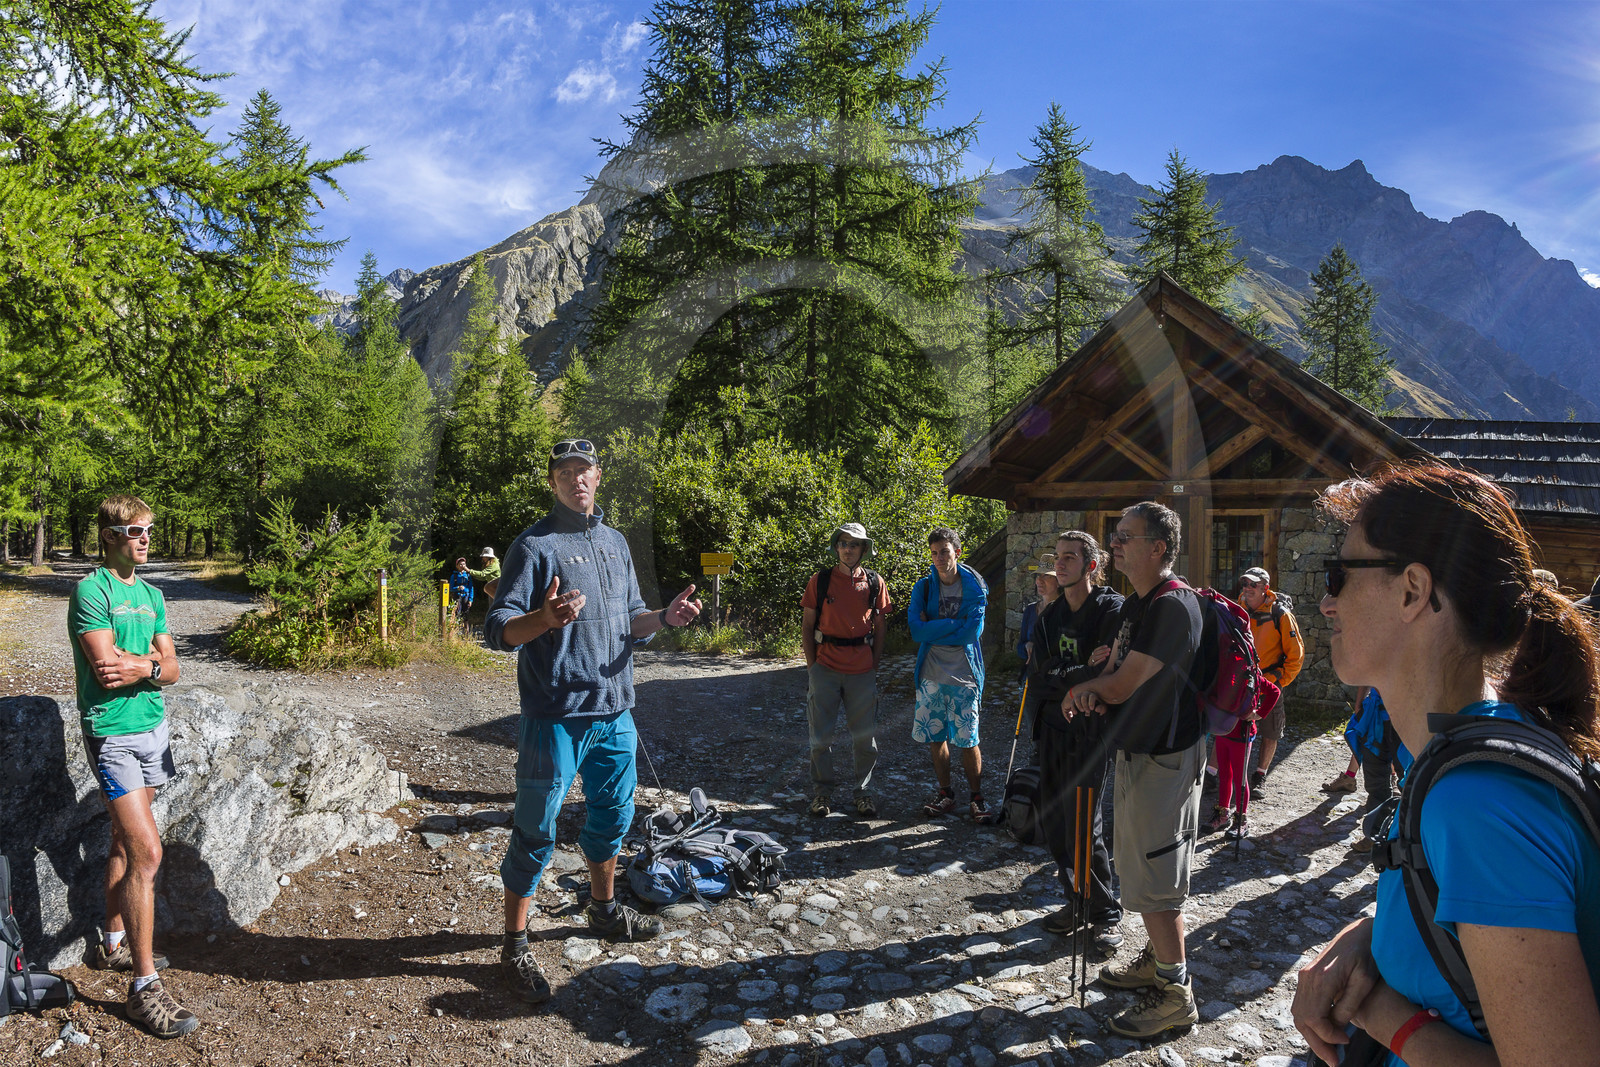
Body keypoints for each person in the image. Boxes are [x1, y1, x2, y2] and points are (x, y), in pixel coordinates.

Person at [1292, 462, 1600, 1066]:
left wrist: (1375, 1010)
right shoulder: (1475, 744)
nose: (1327, 602)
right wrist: (1372, 938)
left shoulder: (1480, 800)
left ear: (1413, 589)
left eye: (1339, 575)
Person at [484, 438, 703, 1004]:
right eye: (565, 472)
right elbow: (497, 630)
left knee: (613, 816)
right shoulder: (533, 545)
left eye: (584, 470)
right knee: (535, 829)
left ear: (598, 477)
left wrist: (665, 618)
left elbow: (633, 618)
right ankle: (514, 944)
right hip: (554, 716)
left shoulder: (614, 542)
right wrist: (542, 618)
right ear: (553, 481)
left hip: (615, 711)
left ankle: (603, 911)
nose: (576, 479)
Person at [1063, 501, 1205, 1038]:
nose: (1115, 543)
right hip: (1140, 750)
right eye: (1115, 534)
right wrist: (1100, 686)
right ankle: (1157, 962)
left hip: (1165, 757)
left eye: (1126, 536)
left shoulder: (1172, 607)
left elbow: (1122, 683)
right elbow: (1119, 674)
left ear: (1158, 548)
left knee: (1155, 877)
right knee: (1138, 866)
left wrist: (1083, 691)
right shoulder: (1136, 604)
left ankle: (1175, 994)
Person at [68, 496, 196, 1038]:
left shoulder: (152, 593)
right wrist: (150, 664)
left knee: (124, 843)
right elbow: (104, 672)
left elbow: (172, 669)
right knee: (148, 852)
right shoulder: (91, 590)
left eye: (149, 530)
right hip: (114, 734)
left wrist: (141, 662)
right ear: (110, 536)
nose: (146, 538)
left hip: (152, 728)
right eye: (136, 531)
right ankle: (143, 990)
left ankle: (114, 945)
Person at [1027, 531, 1124, 950]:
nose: (1060, 564)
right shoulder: (1048, 616)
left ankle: (1103, 913)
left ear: (1090, 565)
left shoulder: (1109, 610)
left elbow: (1109, 674)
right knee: (1054, 822)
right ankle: (1075, 899)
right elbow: (1038, 674)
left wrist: (1069, 673)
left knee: (1085, 824)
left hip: (1089, 731)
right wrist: (1077, 670)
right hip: (1050, 727)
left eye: (1070, 557)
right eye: (1057, 556)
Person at [801, 522, 891, 819]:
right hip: (825, 667)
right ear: (836, 547)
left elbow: (880, 628)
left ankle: (863, 793)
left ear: (864, 549)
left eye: (855, 544)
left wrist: (873, 665)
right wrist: (813, 667)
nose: (848, 549)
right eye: (843, 543)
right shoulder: (820, 580)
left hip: (861, 670)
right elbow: (807, 624)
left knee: (865, 738)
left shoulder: (875, 583)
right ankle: (822, 794)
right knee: (821, 737)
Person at [910, 527, 990, 819]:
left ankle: (977, 797)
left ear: (958, 551)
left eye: (944, 551)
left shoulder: (975, 587)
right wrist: (954, 626)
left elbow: (972, 632)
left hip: (964, 674)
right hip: (931, 672)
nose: (939, 558)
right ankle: (946, 794)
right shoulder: (924, 587)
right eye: (934, 553)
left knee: (968, 740)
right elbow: (916, 631)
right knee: (936, 737)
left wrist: (934, 627)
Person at [1236, 566, 1304, 794]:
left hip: (1269, 683)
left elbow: (1296, 656)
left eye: (1253, 584)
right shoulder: (1238, 609)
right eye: (1245, 584)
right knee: (1229, 728)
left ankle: (1260, 775)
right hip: (1242, 681)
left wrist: (1278, 682)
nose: (1247, 588)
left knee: (1270, 731)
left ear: (1265, 588)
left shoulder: (1281, 614)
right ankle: (1217, 775)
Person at [1328, 686, 1411, 853]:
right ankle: (1374, 835)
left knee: (1409, 780)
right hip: (1374, 716)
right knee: (1375, 781)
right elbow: (1366, 671)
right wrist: (1359, 705)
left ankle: (1408, 837)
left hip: (1405, 716)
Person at [1017, 554, 1059, 684]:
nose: (1039, 581)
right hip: (1032, 677)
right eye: (1038, 576)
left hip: (1057, 678)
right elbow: (1020, 647)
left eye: (1046, 576)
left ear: (1059, 581)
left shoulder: (1065, 610)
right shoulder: (1031, 610)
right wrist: (1027, 646)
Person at [449, 558, 475, 631]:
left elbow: (471, 588)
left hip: (466, 596)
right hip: (457, 596)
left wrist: (470, 600)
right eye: (460, 564)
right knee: (457, 613)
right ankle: (455, 631)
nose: (462, 566)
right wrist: (458, 588)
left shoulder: (468, 576)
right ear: (457, 566)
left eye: (464, 564)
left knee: (466, 615)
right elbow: (451, 588)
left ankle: (466, 633)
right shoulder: (454, 576)